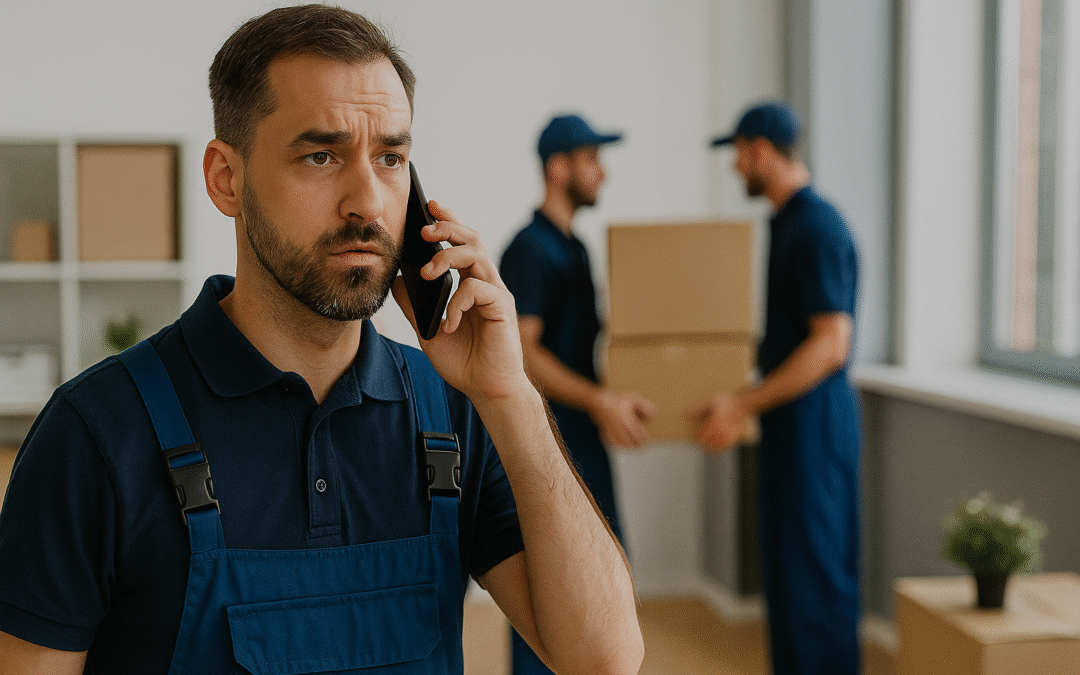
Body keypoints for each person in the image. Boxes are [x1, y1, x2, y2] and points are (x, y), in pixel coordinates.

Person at [0, 6, 644, 674]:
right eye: (321, 155)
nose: (368, 201)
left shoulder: (453, 412)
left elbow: (605, 658)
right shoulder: (94, 435)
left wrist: (510, 394)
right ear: (227, 179)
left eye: (391, 157)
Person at [690, 101, 862, 675]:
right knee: (789, 584)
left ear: (760, 151)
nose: (736, 168)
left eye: (738, 155)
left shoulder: (818, 228)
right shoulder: (788, 224)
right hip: (791, 434)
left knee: (816, 586)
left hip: (816, 436)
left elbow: (831, 343)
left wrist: (742, 403)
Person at [499, 113, 656, 675]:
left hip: (582, 439)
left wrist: (615, 395)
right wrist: (598, 401)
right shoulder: (530, 249)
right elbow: (523, 351)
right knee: (552, 586)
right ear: (558, 168)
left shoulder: (577, 249)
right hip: (551, 441)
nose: (603, 174)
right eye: (592, 160)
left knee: (598, 580)